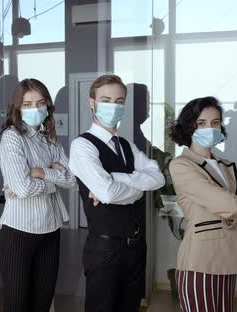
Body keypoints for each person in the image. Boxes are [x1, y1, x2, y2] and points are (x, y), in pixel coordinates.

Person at [68, 74, 165, 312]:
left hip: (136, 247)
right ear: (92, 102)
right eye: (106, 99)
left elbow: (158, 177)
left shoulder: (127, 145)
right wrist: (137, 188)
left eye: (119, 101)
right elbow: (108, 193)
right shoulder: (82, 146)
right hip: (105, 250)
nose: (113, 106)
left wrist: (116, 179)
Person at [169, 96, 237, 312]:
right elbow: (232, 205)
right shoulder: (182, 165)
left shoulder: (226, 166)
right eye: (202, 123)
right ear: (188, 127)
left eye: (215, 123)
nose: (210, 128)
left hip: (229, 260)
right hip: (199, 263)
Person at [0, 78, 77, 312]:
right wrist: (53, 176)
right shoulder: (12, 137)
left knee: (42, 303)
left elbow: (73, 180)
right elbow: (22, 188)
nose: (35, 109)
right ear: (17, 108)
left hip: (50, 230)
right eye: (28, 104)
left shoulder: (50, 139)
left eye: (40, 103)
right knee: (17, 305)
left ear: (48, 106)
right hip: (17, 233)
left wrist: (41, 172)